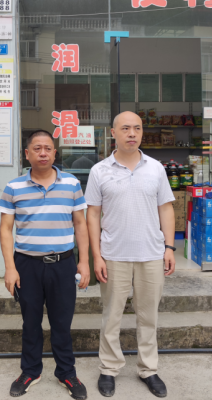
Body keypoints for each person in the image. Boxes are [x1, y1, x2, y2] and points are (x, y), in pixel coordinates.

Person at [85, 111, 176, 398]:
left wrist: (169, 247)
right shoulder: (100, 170)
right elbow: (92, 214)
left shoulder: (156, 168)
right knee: (111, 316)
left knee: (148, 316)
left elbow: (166, 208)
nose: (132, 133)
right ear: (113, 133)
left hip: (151, 254)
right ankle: (109, 368)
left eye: (137, 128)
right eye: (125, 128)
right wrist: (97, 255)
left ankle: (148, 369)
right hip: (114, 255)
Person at [0, 129, 90, 400]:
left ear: (55, 153)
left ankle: (66, 373)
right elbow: (5, 229)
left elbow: (81, 224)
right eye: (37, 149)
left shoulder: (71, 183)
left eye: (48, 148)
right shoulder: (13, 187)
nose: (43, 153)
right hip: (27, 265)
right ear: (27, 154)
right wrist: (10, 267)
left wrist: (84, 262)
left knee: (62, 322)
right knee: (30, 322)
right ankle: (30, 371)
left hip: (63, 264)